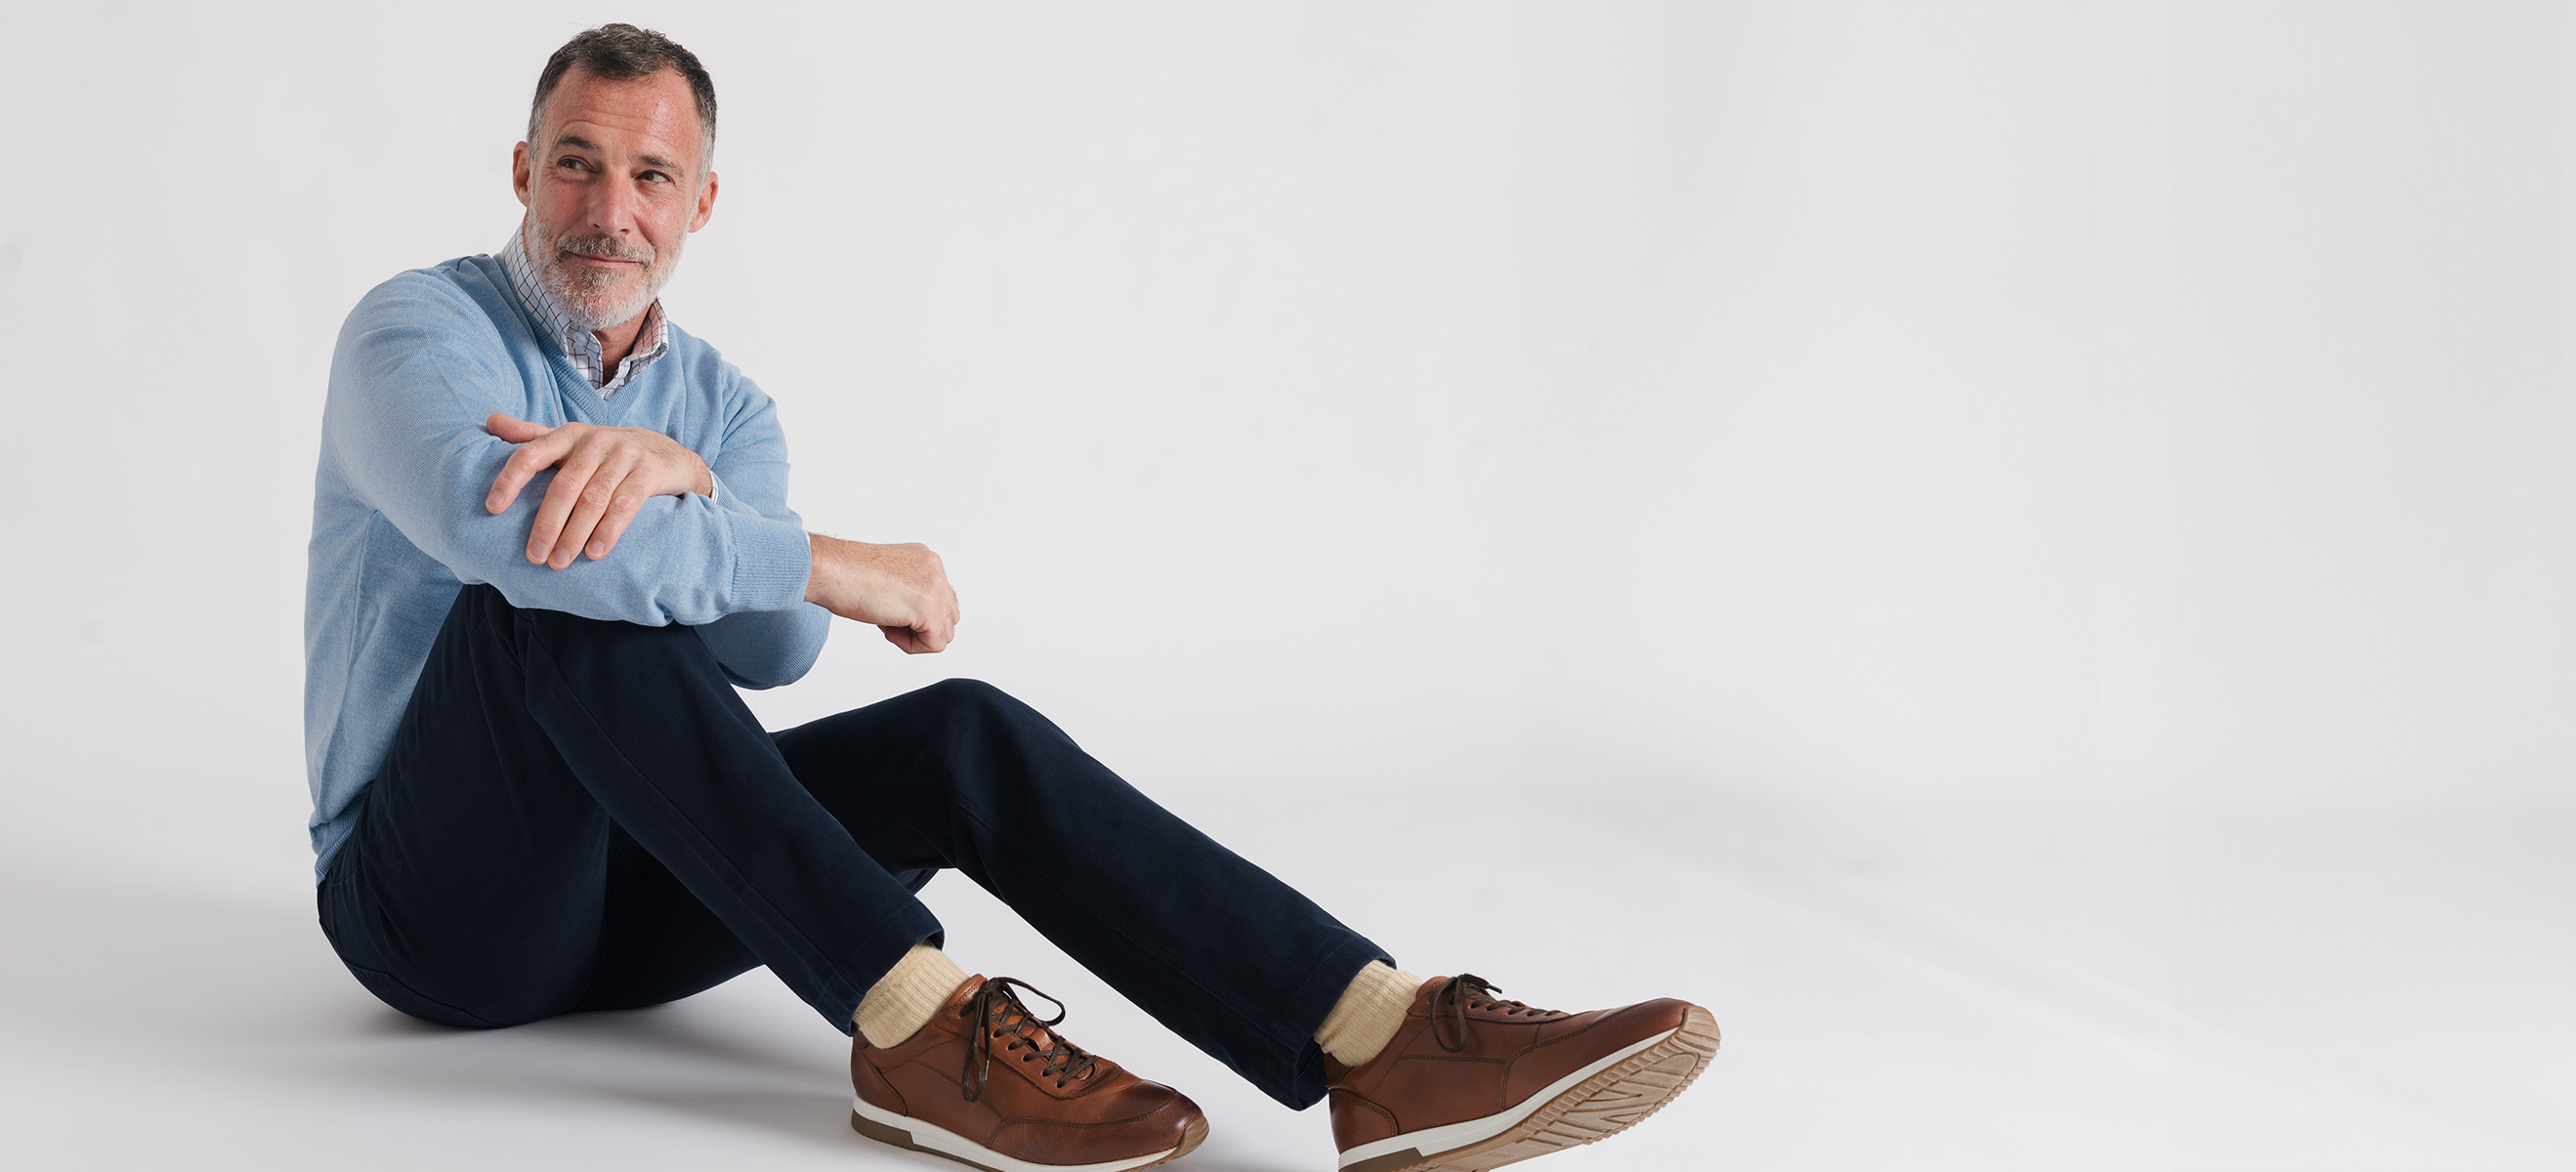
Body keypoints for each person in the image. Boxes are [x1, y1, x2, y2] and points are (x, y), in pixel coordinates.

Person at [305, 23, 1718, 1172]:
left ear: (701, 203)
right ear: (520, 170)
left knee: (960, 734)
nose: (610, 211)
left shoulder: (718, 406)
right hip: (437, 917)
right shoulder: (417, 332)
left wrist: (694, 491)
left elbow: (774, 652)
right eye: (576, 164)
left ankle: (1378, 1042)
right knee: (544, 605)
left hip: (646, 892)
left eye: (651, 177)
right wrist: (824, 556)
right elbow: (544, 551)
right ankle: (917, 1027)